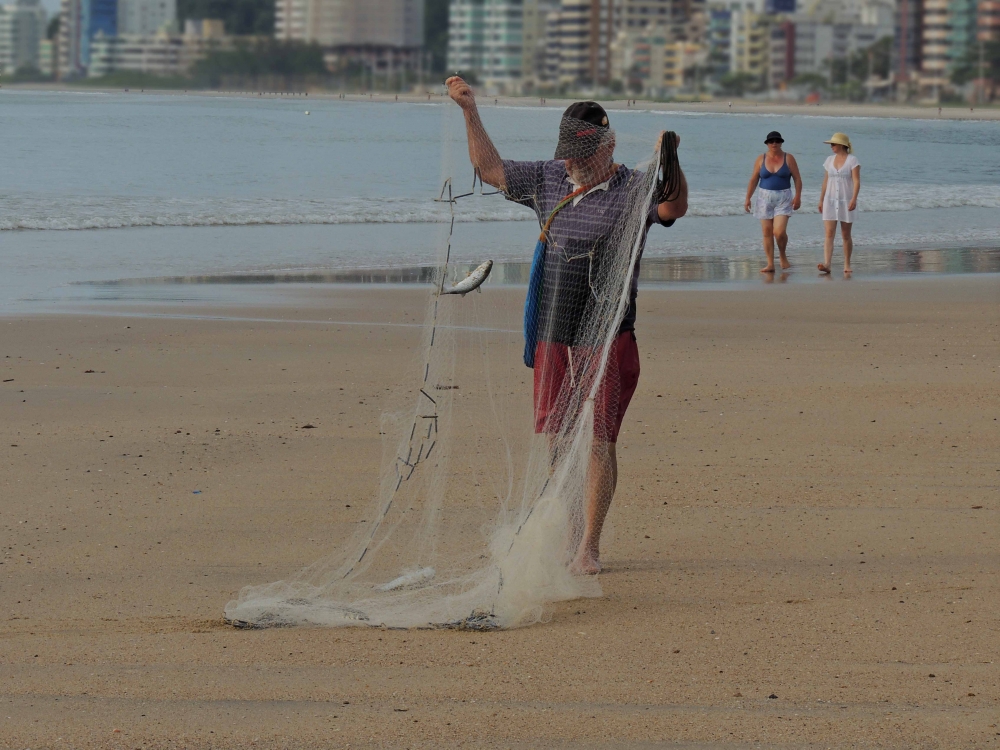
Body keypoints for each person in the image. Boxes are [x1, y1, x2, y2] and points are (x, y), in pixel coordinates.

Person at [446, 75, 688, 575]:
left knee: (599, 439)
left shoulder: (634, 187)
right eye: (567, 154)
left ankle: (589, 548)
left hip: (608, 336)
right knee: (557, 439)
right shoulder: (548, 179)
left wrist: (671, 158)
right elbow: (488, 168)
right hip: (554, 331)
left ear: (609, 146)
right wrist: (469, 109)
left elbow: (673, 206)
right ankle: (570, 533)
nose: (571, 163)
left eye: (581, 155)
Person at [744, 131, 803, 273]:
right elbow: (753, 179)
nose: (774, 143)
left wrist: (798, 196)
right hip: (764, 197)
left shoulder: (789, 158)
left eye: (777, 141)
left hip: (784, 197)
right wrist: (748, 198)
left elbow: (797, 178)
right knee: (767, 232)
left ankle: (782, 255)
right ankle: (770, 263)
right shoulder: (761, 159)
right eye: (771, 141)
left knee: (779, 232)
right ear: (767, 144)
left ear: (781, 142)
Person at [818, 132, 861, 275]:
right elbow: (825, 181)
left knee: (845, 234)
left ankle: (847, 263)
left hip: (846, 200)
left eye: (833, 144)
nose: (831, 146)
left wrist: (854, 198)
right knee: (829, 233)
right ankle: (827, 263)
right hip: (830, 200)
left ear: (842, 145)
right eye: (831, 144)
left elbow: (856, 181)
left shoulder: (852, 160)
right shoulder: (829, 160)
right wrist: (821, 199)